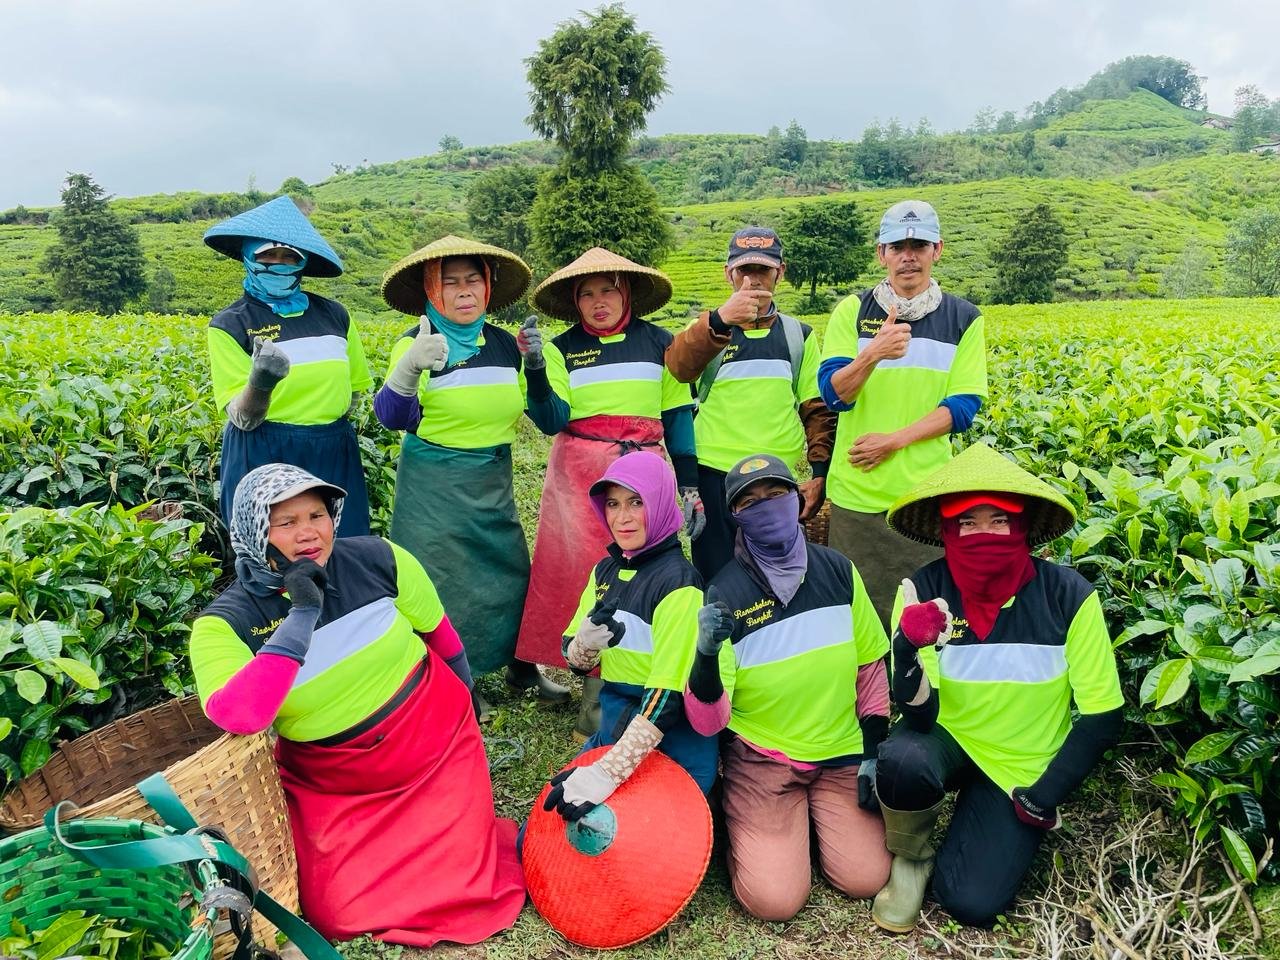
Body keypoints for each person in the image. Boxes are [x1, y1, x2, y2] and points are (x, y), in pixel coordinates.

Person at [189, 464, 524, 946]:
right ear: (253, 531)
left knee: (469, 881)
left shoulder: (378, 558)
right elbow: (242, 714)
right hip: (336, 782)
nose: (309, 534)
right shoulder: (225, 624)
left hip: (435, 747)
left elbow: (440, 634)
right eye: (285, 523)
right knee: (337, 914)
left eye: (318, 515)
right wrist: (302, 613)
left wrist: (468, 699)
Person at [870, 443, 1124, 931]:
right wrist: (905, 647)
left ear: (1023, 525)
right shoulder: (924, 589)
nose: (982, 534)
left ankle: (982, 815)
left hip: (1019, 764)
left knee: (971, 903)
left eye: (998, 520)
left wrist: (1043, 796)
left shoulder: (1068, 596)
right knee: (904, 757)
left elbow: (1101, 716)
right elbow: (920, 716)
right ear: (946, 530)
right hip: (950, 737)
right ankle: (911, 856)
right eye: (966, 523)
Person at [682, 454, 891, 921]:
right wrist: (705, 655)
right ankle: (764, 821)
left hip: (840, 754)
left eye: (776, 494)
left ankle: (815, 820)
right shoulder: (724, 592)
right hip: (765, 759)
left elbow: (871, 667)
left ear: (798, 500)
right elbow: (706, 719)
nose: (766, 507)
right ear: (735, 518)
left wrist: (872, 752)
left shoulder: (839, 570)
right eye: (749, 502)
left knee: (867, 878)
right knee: (774, 902)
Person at [373, 235, 568, 715]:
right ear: (431, 293)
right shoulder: (416, 342)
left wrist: (537, 366)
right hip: (434, 481)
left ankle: (521, 665)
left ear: (488, 286)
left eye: (474, 280)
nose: (465, 292)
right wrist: (409, 368)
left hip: (491, 476)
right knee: (442, 581)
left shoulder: (505, 345)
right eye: (451, 283)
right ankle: (463, 679)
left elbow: (550, 419)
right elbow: (391, 416)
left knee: (508, 573)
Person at [514, 247, 700, 739]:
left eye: (609, 290)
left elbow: (678, 419)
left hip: (645, 470)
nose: (599, 302)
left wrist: (691, 485)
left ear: (627, 292)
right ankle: (593, 688)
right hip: (579, 474)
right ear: (575, 301)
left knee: (647, 567)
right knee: (586, 573)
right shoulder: (561, 349)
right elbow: (552, 417)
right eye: (587, 294)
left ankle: (648, 677)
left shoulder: (662, 343)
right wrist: (534, 366)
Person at [818, 200, 987, 628]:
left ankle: (916, 696)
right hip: (858, 499)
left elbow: (963, 407)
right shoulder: (852, 312)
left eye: (919, 244)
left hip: (925, 500)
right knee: (858, 620)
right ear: (882, 254)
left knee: (929, 619)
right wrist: (872, 353)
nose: (907, 255)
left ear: (937, 250)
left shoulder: (963, 318)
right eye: (897, 245)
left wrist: (893, 442)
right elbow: (834, 395)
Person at [541, 451, 715, 822]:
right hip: (617, 721)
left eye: (637, 502)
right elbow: (574, 660)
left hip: (672, 738)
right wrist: (586, 642)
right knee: (559, 818)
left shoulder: (679, 584)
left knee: (633, 838)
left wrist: (608, 772)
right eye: (613, 504)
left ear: (662, 503)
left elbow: (665, 698)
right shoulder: (604, 570)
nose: (622, 517)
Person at [663, 227, 835, 579]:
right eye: (744, 271)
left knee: (775, 573)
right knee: (716, 574)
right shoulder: (708, 329)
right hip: (715, 473)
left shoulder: (797, 335)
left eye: (763, 271)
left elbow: (816, 409)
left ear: (780, 273)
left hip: (775, 477)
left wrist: (819, 474)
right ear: (729, 274)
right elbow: (679, 368)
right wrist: (720, 319)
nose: (753, 281)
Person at [204, 196, 373, 535]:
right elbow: (243, 417)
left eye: (289, 257)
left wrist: (321, 424)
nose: (278, 263)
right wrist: (261, 383)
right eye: (267, 254)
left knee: (344, 547)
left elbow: (353, 392)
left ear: (303, 262)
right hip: (265, 452)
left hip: (333, 449)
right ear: (248, 257)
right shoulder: (230, 325)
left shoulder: (334, 316)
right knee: (274, 554)